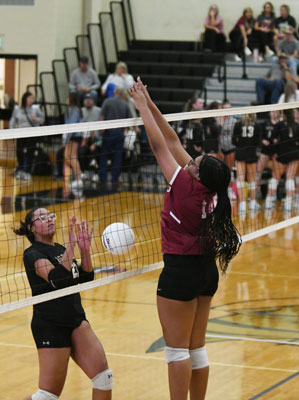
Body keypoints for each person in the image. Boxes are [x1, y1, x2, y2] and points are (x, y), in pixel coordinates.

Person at [129, 77, 241, 400]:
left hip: (180, 273)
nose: (189, 162)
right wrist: (150, 103)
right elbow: (173, 140)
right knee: (196, 348)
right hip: (205, 272)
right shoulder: (214, 192)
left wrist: (140, 107)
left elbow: (159, 147)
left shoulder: (185, 187)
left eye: (194, 164)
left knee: (177, 351)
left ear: (197, 176)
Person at [14, 208, 112, 400]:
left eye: (51, 216)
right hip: (51, 325)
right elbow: (57, 280)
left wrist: (84, 250)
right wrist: (71, 246)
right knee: (47, 396)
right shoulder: (33, 254)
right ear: (31, 228)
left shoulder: (59, 249)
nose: (49, 219)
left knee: (104, 378)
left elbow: (85, 278)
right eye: (42, 218)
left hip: (75, 319)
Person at [99, 86, 132, 191]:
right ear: (122, 94)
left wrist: (100, 131)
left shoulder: (107, 101)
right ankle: (114, 179)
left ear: (114, 92)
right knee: (117, 158)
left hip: (108, 133)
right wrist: (126, 130)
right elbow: (129, 119)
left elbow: (102, 117)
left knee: (104, 157)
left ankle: (103, 179)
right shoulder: (125, 104)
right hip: (119, 134)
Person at [10, 91, 45, 180]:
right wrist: (11, 131)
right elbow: (13, 120)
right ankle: (20, 169)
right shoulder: (18, 109)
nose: (32, 100)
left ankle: (27, 171)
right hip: (21, 134)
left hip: (32, 134)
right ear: (25, 99)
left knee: (30, 152)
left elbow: (42, 119)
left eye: (33, 98)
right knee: (19, 152)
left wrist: (35, 119)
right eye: (30, 98)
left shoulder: (36, 109)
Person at [270, 109, 299, 211]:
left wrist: (274, 152)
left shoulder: (279, 124)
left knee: (275, 178)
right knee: (290, 178)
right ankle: (288, 204)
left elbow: (273, 141)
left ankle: (269, 202)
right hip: (294, 154)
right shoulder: (296, 125)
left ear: (283, 114)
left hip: (282, 153)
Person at [232, 113, 261, 214]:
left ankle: (242, 204)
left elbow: (233, 141)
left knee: (240, 178)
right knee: (252, 179)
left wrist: (241, 144)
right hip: (251, 153)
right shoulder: (257, 125)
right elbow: (258, 142)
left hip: (240, 152)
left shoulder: (238, 124)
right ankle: (252, 203)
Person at [79, 94, 102, 177]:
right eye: (86, 99)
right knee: (81, 152)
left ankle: (96, 174)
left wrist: (96, 142)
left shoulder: (99, 110)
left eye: (90, 99)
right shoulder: (80, 111)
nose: (88, 101)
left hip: (96, 139)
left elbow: (102, 127)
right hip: (83, 138)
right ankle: (82, 173)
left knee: (95, 152)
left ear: (93, 101)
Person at [63, 92, 83, 185]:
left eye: (67, 98)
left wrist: (66, 139)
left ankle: (79, 178)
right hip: (72, 135)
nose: (66, 99)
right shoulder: (72, 109)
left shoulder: (73, 109)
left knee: (72, 156)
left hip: (74, 135)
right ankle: (79, 174)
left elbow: (71, 124)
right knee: (68, 156)